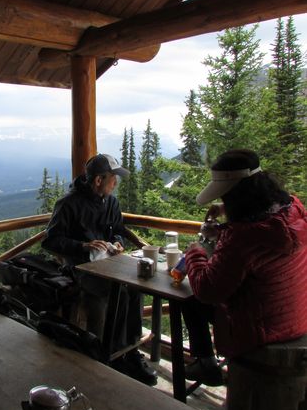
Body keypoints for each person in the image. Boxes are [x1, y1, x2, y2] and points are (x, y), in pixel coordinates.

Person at [181, 149, 307, 386]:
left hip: (259, 332)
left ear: (237, 196)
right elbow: (259, 236)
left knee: (191, 298)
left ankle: (206, 362)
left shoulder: (242, 238)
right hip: (294, 317)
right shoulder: (293, 211)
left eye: (227, 197)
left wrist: (195, 251)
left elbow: (207, 290)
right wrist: (225, 214)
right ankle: (207, 363)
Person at [41, 153, 158, 386]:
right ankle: (113, 355)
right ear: (98, 180)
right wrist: (83, 246)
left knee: (135, 289)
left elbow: (117, 230)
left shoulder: (111, 202)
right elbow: (50, 241)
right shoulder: (69, 204)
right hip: (81, 268)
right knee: (119, 293)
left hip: (109, 264)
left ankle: (130, 350)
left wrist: (116, 243)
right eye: (113, 178)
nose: (116, 183)